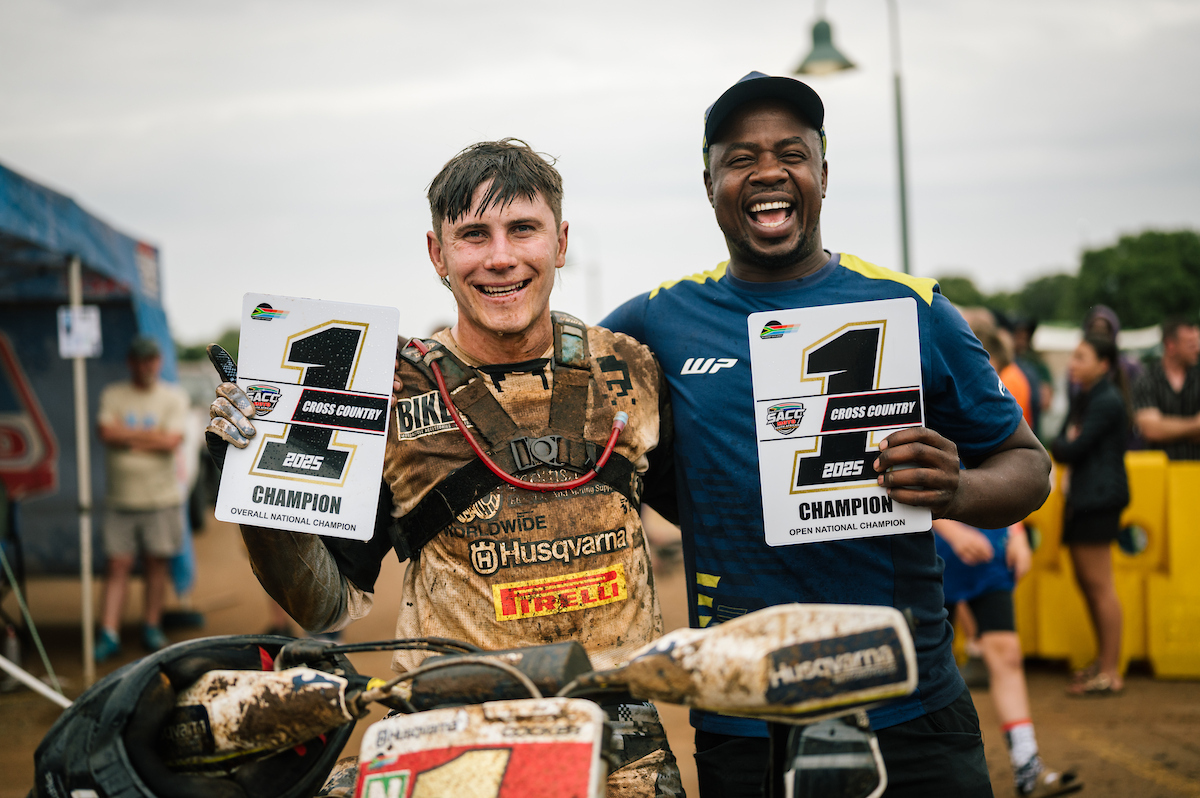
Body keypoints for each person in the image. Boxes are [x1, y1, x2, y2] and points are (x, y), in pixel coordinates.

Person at [602, 72, 1051, 797]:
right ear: (710, 182)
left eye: (791, 153)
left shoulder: (914, 307)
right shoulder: (657, 321)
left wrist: (959, 487)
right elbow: (545, 380)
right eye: (741, 158)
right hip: (746, 717)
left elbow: (1029, 467)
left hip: (909, 705)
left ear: (823, 173)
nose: (768, 171)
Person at [207, 139, 683, 797]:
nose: (500, 257)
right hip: (449, 740)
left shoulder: (631, 368)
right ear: (438, 253)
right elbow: (320, 609)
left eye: (523, 229)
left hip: (618, 741)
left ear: (561, 240)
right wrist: (255, 485)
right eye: (473, 235)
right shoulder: (387, 393)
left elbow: (722, 513)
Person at [95, 334, 189, 662]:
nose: (146, 365)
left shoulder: (173, 396)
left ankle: (151, 626)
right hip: (121, 499)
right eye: (140, 360)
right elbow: (106, 433)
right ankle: (109, 632)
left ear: (159, 362)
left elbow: (172, 441)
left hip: (161, 499)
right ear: (131, 362)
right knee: (117, 564)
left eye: (151, 359)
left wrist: (130, 437)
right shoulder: (113, 394)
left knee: (156, 563)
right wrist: (151, 436)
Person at [1052, 334, 1131, 696]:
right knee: (1090, 585)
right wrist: (1068, 439)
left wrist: (1069, 439)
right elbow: (1061, 441)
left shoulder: (1106, 401)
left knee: (1100, 587)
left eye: (1081, 357)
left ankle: (1111, 672)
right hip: (1087, 499)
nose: (1073, 363)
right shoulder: (1087, 396)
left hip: (1099, 500)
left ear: (1103, 364)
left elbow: (1070, 447)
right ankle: (1103, 664)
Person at [1131, 315, 1200, 460]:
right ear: (1170, 345)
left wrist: (1165, 426)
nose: (1197, 349)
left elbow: (1156, 427)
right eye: (1191, 344)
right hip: (1158, 476)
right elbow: (1150, 430)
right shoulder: (1146, 380)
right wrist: (1195, 425)